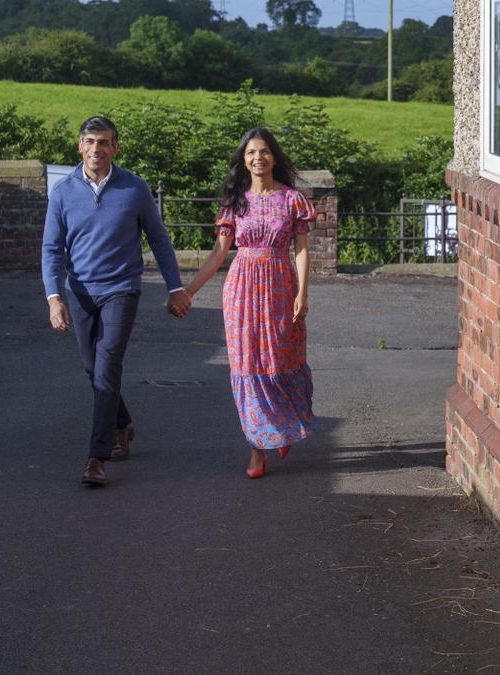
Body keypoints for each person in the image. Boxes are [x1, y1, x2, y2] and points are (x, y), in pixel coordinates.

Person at [42, 116, 191, 487]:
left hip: (122, 289)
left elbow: (159, 239)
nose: (97, 149)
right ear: (80, 145)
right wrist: (54, 296)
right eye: (90, 141)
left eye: (104, 142)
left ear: (115, 148)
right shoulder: (63, 192)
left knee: (107, 365)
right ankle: (122, 424)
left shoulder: (135, 188)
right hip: (80, 292)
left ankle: (96, 456)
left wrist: (175, 287)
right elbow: (50, 249)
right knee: (94, 370)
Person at [184, 127, 316, 479]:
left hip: (279, 285)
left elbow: (301, 250)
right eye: (251, 153)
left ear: (274, 156)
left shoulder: (292, 200)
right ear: (244, 161)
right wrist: (189, 291)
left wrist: (303, 292)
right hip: (242, 288)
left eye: (264, 151)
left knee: (280, 358)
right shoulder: (235, 203)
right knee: (247, 365)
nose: (258, 157)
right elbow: (217, 255)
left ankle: (283, 424)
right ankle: (258, 447)